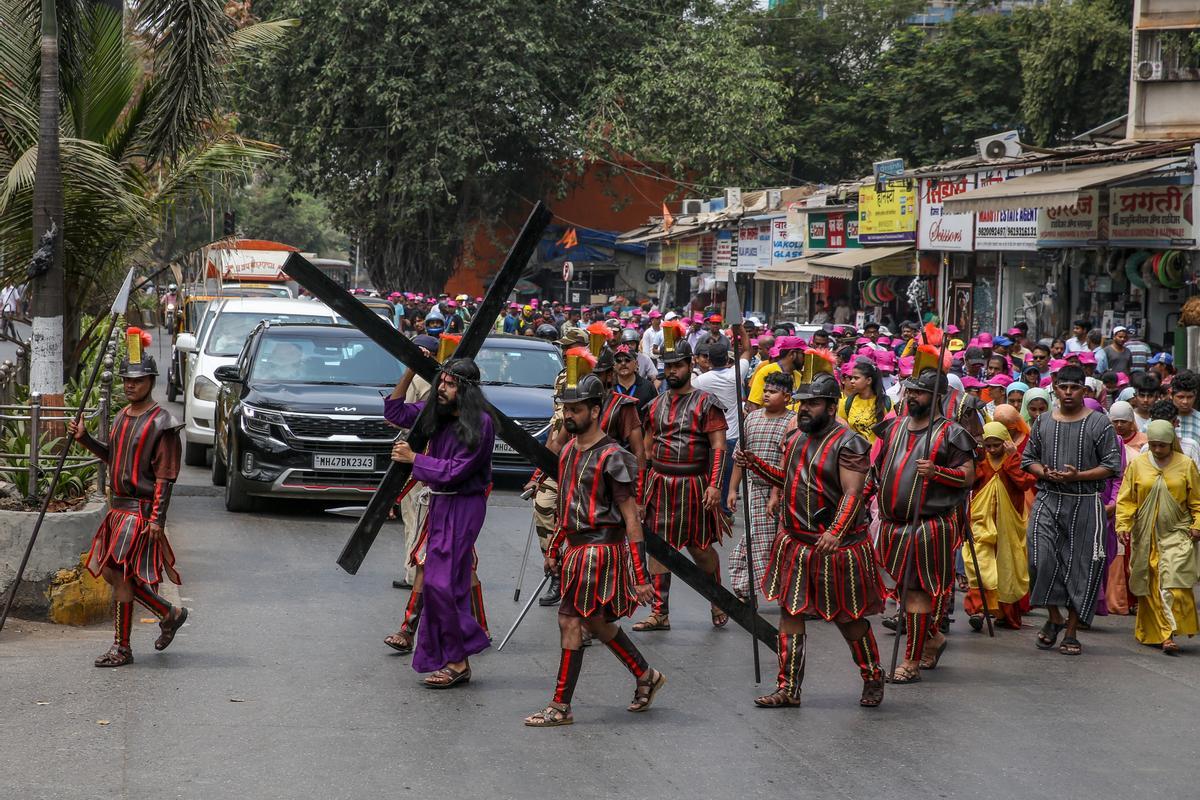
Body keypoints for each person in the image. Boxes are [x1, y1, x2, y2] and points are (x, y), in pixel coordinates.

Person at [736, 358, 886, 708]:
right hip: (797, 542)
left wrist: (835, 530)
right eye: (802, 402)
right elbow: (790, 480)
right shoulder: (795, 437)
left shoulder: (849, 443)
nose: (804, 409)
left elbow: (854, 493)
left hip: (838, 545)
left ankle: (872, 675)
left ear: (832, 407)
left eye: (813, 403)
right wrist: (755, 464)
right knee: (791, 614)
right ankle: (789, 689)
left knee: (848, 619)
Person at [523, 373, 665, 727]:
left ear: (595, 410)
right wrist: (555, 546)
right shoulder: (569, 449)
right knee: (594, 622)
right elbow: (566, 506)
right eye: (566, 409)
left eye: (576, 409)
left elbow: (632, 519)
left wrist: (640, 575)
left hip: (601, 553)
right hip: (575, 551)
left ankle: (560, 706)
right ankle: (646, 675)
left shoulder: (614, 456)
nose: (569, 416)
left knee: (570, 619)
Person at [70, 329, 188, 668]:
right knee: (112, 574)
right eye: (126, 380)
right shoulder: (122, 416)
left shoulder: (164, 423)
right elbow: (115, 457)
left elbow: (165, 475)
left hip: (139, 512)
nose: (130, 385)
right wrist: (86, 439)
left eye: (137, 380)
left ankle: (122, 648)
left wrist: (157, 520)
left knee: (120, 576)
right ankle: (169, 612)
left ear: (151, 380)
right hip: (117, 509)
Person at [385, 358, 494, 687]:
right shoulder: (438, 413)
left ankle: (460, 658)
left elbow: (455, 470)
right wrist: (408, 372)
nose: (441, 389)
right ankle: (455, 660)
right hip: (442, 505)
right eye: (441, 382)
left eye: (448, 384)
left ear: (465, 390)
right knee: (445, 585)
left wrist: (414, 458)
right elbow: (394, 412)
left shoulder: (482, 423)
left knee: (440, 584)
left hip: (464, 505)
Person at [872, 363, 977, 684]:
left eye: (920, 391)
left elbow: (969, 477)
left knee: (916, 593)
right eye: (911, 390)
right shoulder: (892, 427)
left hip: (928, 525)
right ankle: (931, 638)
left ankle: (911, 660)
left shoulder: (952, 433)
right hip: (892, 524)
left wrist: (938, 472)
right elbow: (878, 468)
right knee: (905, 591)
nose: (912, 396)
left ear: (937, 396)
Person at [634, 332, 729, 632]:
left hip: (695, 486)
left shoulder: (706, 403)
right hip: (660, 484)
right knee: (659, 549)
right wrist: (640, 494)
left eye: (678, 365)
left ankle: (717, 600)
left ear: (690, 365)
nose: (672, 370)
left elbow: (718, 446)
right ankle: (660, 612)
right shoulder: (655, 405)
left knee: (700, 549)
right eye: (668, 365)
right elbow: (646, 452)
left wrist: (715, 485)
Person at [1023, 365, 1120, 657]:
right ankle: (1054, 617)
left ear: (1084, 390)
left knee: (1082, 568)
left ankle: (1071, 631)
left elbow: (1112, 465)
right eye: (1063, 387)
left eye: (1074, 388)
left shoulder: (1100, 424)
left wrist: (1079, 476)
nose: (1068, 393)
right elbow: (1028, 459)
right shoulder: (1041, 422)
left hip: (1086, 502)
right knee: (1039, 558)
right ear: (1055, 388)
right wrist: (1045, 471)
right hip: (1048, 497)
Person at [1116, 420, 1200, 654]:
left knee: (1173, 583)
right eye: (1153, 445)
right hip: (1145, 535)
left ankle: (1167, 631)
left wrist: (1198, 524)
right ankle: (1164, 634)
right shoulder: (1138, 465)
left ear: (1171, 443)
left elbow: (1197, 501)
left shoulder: (1186, 465)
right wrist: (1123, 524)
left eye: (1162, 445)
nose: (1158, 450)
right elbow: (1127, 498)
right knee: (1151, 583)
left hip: (1177, 533)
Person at [726, 371, 795, 601]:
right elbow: (740, 457)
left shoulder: (792, 421)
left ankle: (751, 587)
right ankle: (747, 587)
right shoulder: (752, 418)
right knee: (755, 538)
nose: (766, 395)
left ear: (787, 397)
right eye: (765, 390)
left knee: (767, 542)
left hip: (779, 490)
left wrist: (775, 494)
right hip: (753, 488)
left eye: (773, 392)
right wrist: (733, 489)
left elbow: (785, 461)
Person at [965, 422, 1034, 631]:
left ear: (1006, 443)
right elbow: (967, 481)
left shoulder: (1014, 461)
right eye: (989, 446)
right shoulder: (980, 463)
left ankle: (1005, 613)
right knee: (979, 563)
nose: (993, 450)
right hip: (981, 522)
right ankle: (978, 609)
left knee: (1007, 566)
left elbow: (1025, 482)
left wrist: (1012, 458)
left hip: (1008, 524)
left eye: (997, 445)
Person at [692, 339, 742, 513]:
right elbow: (748, 351)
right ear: (727, 360)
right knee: (726, 477)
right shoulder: (736, 374)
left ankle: (710, 510)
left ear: (709, 360)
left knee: (711, 475)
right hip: (731, 436)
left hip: (710, 436)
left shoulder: (700, 381)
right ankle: (724, 512)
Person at [838, 357, 890, 444]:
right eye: (851, 378)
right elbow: (841, 430)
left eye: (856, 378)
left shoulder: (886, 403)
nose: (852, 381)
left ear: (869, 380)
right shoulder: (847, 403)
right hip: (855, 453)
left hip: (878, 454)